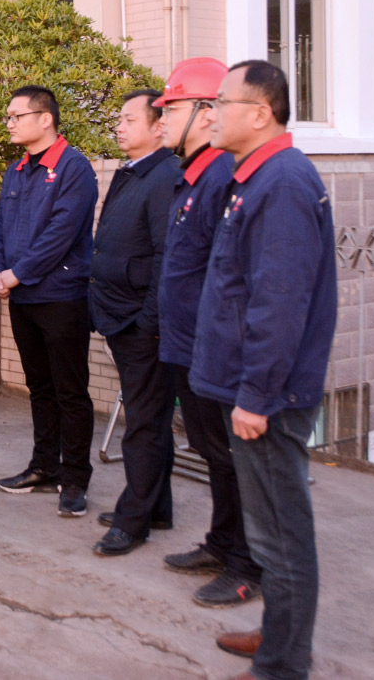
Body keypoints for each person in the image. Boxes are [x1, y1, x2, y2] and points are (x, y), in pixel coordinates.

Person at [192, 61, 336, 680]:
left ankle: (283, 662)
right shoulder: (255, 177)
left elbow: (279, 303)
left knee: (281, 533)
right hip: (250, 386)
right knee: (269, 527)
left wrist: (255, 395)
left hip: (269, 398)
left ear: (260, 113)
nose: (210, 114)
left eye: (220, 103)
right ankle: (279, 634)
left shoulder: (282, 183)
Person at [153, 57, 263, 607]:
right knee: (209, 449)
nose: (162, 121)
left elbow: (232, 274)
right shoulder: (192, 175)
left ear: (204, 111)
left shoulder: (220, 176)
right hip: (185, 342)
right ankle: (221, 543)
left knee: (230, 457)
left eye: (170, 110)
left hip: (211, 345)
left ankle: (247, 563)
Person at [0, 85, 99, 518]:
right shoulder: (17, 170)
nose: (10, 123)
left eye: (17, 116)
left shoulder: (74, 168)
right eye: (9, 116)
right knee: (40, 388)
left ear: (45, 118)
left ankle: (75, 478)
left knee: (70, 390)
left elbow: (60, 234)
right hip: (22, 297)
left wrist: (16, 274)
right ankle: (44, 466)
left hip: (61, 297)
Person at [89, 90, 182, 555]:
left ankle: (133, 520)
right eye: (119, 119)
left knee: (143, 423)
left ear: (158, 127)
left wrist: (149, 320)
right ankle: (156, 506)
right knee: (152, 419)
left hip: (141, 321)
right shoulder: (132, 171)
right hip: (120, 314)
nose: (119, 127)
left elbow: (168, 255)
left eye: (129, 120)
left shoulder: (166, 176)